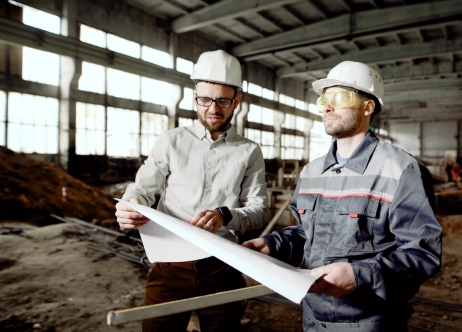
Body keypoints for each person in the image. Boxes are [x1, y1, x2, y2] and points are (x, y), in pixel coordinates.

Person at [242, 61, 442, 331]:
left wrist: (361, 275)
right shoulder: (311, 172)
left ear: (368, 106)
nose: (327, 106)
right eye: (324, 99)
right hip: (312, 317)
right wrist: (274, 245)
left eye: (338, 98)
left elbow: (422, 253)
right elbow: (306, 235)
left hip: (372, 321)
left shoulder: (401, 170)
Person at [115, 50, 267, 332]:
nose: (212, 108)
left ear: (237, 101)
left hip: (222, 265)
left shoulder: (250, 151)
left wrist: (225, 216)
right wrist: (130, 203)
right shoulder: (171, 141)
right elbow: (143, 186)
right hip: (169, 265)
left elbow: (259, 210)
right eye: (204, 99)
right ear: (194, 97)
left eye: (222, 100)